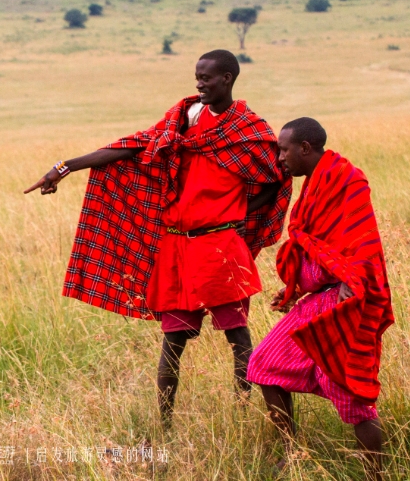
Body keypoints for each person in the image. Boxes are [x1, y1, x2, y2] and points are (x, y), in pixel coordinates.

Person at [25, 49, 291, 426]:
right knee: (173, 341)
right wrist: (64, 167)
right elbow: (130, 146)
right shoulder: (183, 119)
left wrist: (236, 215)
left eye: (207, 77)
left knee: (237, 336)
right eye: (197, 76)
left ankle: (244, 415)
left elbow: (275, 177)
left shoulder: (248, 131)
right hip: (177, 246)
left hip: (219, 246)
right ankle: (164, 423)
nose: (199, 83)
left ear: (228, 79)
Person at [246, 117, 394, 480]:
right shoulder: (314, 182)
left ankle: (374, 475)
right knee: (264, 365)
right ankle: (291, 452)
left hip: (344, 303)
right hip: (317, 300)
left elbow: (363, 237)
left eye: (283, 150)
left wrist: (352, 278)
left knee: (352, 397)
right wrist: (297, 285)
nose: (279, 158)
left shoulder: (347, 178)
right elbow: (319, 244)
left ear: (305, 148)